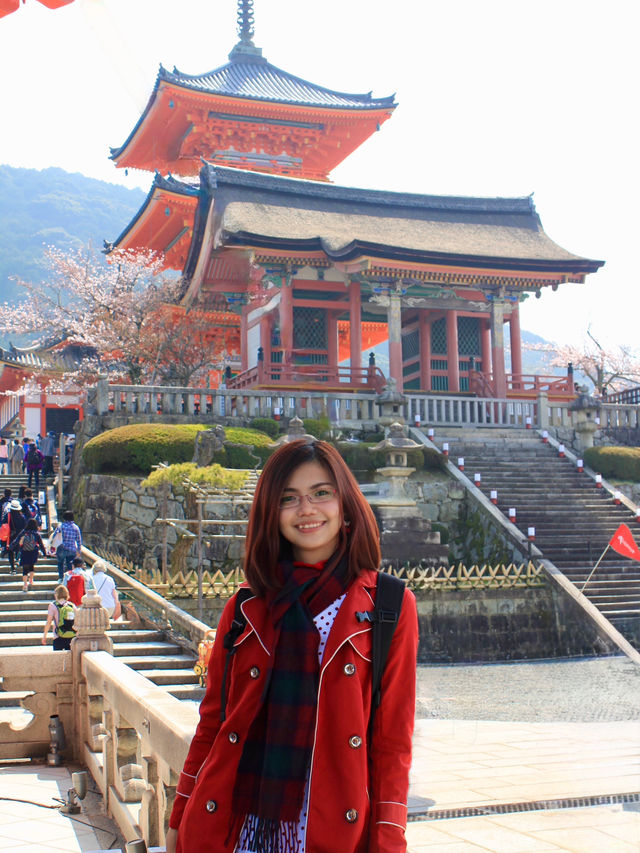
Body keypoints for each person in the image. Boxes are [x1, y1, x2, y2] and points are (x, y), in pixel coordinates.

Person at [166, 439, 418, 853]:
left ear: (345, 503)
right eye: (289, 498)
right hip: (232, 826)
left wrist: (389, 838)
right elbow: (213, 721)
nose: (307, 510)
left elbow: (392, 742)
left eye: (322, 493)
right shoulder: (246, 606)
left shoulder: (387, 607)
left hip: (331, 826)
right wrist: (180, 813)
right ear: (271, 511)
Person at [42, 584, 76, 650]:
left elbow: (49, 622)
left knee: (58, 658)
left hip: (58, 636)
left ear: (57, 594)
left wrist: (44, 635)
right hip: (71, 636)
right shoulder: (72, 605)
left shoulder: (53, 605)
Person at [16, 518, 46, 592]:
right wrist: (44, 553)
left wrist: (11, 547)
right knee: (31, 566)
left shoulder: (24, 532)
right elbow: (41, 544)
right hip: (33, 552)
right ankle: (31, 580)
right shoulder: (36, 533)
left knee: (25, 569)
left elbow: (17, 540)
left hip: (24, 552)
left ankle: (25, 584)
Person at [58, 510, 83, 577]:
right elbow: (79, 540)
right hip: (72, 549)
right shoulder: (76, 527)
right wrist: (79, 551)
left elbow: (56, 537)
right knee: (70, 565)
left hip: (62, 548)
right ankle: (70, 578)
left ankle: (61, 578)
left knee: (60, 563)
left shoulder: (61, 526)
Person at [6, 499, 27, 575]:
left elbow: (3, 524)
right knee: (18, 549)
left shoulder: (8, 516)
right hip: (20, 536)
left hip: (10, 536)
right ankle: (17, 560)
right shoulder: (22, 517)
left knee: (10, 552)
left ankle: (13, 569)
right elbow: (25, 527)